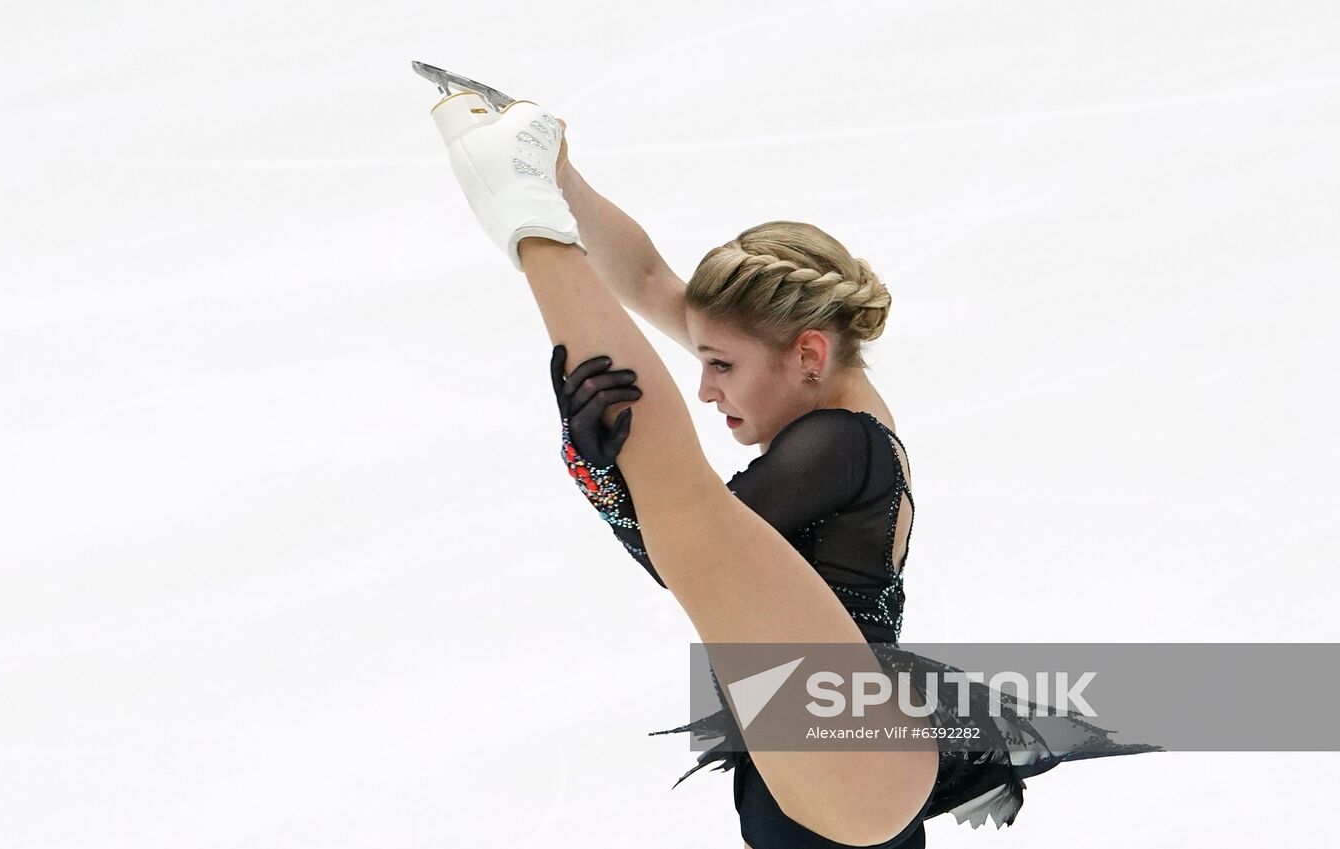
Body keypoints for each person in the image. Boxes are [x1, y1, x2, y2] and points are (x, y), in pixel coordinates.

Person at [428, 91, 1162, 848]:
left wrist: (599, 477)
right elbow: (647, 280)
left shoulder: (841, 444)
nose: (706, 386)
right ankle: (528, 205)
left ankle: (524, 221)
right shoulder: (838, 417)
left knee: (680, 495)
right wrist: (561, 174)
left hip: (843, 743)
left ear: (808, 354)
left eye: (720, 364)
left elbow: (692, 550)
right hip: (826, 766)